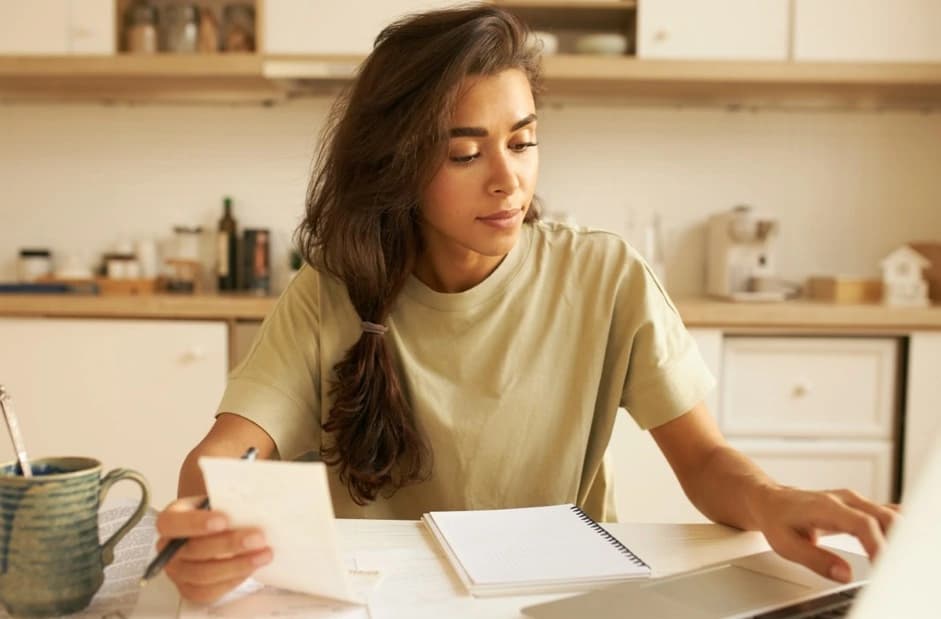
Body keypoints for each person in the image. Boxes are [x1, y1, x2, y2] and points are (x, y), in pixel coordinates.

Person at [155, 4, 898, 604]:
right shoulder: (329, 292)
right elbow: (231, 450)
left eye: (524, 140)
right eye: (466, 153)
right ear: (397, 163)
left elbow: (702, 458)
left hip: (565, 599)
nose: (508, 181)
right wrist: (202, 515)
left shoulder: (603, 275)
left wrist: (771, 500)